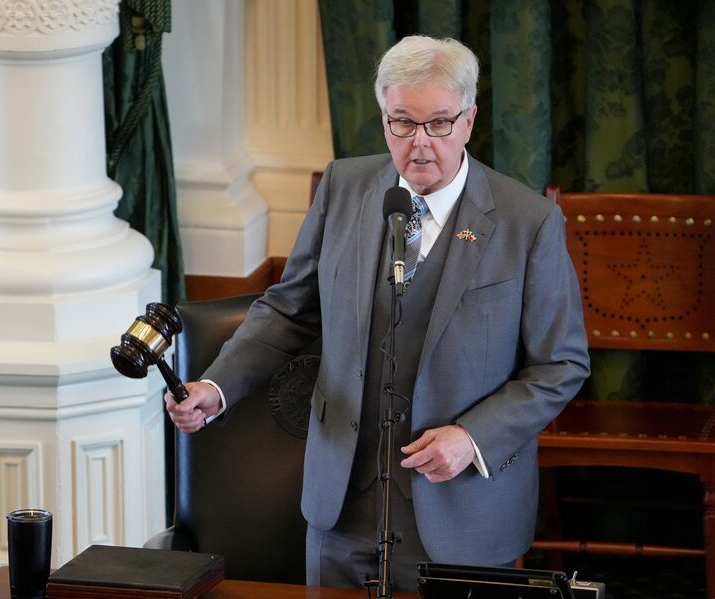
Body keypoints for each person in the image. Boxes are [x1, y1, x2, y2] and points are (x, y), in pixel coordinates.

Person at [166, 35, 590, 592]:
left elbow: (560, 365)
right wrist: (216, 386)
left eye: (438, 123)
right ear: (383, 115)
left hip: (461, 508)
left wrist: (472, 437)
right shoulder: (344, 187)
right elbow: (289, 310)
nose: (419, 143)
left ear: (469, 120)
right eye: (401, 123)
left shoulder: (526, 221)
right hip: (340, 503)